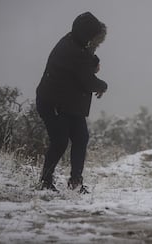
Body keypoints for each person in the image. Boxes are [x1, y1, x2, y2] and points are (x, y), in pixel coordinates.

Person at [36, 12, 108, 192]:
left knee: (81, 138)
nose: (96, 42)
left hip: (69, 103)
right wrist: (103, 86)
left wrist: (93, 63)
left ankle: (75, 182)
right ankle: (45, 182)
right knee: (59, 141)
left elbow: (87, 59)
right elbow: (88, 81)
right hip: (53, 103)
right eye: (94, 37)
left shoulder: (74, 41)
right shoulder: (72, 51)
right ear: (87, 35)